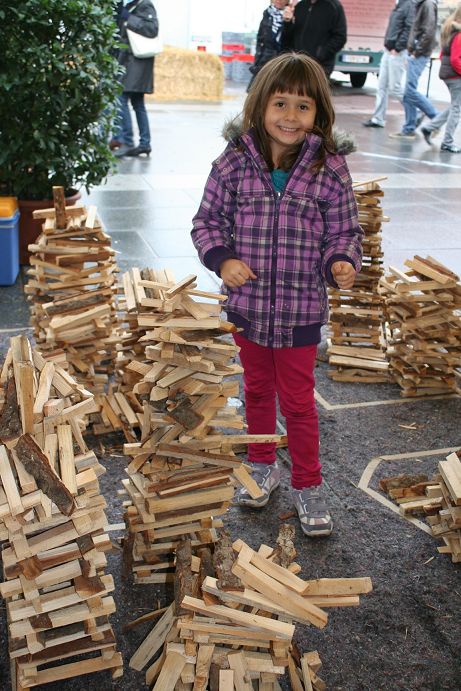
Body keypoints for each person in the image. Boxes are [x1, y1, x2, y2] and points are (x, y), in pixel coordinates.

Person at [191, 53, 363, 537]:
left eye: (303, 106)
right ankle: (262, 464)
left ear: (319, 113)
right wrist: (222, 259)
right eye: (280, 103)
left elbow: (345, 230)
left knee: (299, 402)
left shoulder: (330, 169)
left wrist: (341, 260)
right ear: (260, 106)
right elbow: (206, 222)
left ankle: (308, 483)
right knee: (257, 391)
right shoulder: (233, 163)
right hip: (246, 309)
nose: (290, 116)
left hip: (300, 311)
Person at [114, 0, 158, 157]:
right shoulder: (128, 6)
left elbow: (152, 29)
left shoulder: (144, 5)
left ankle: (127, 141)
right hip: (130, 62)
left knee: (121, 98)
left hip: (137, 63)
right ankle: (144, 143)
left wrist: (129, 17)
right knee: (138, 103)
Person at [389, 0, 439, 140]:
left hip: (420, 53)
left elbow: (428, 32)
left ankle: (436, 119)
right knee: (407, 93)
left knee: (410, 91)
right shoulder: (421, 4)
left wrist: (416, 53)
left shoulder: (427, 4)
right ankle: (408, 129)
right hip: (416, 53)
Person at [363, 0, 415, 128]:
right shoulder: (400, 3)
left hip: (397, 52)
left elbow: (409, 28)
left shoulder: (408, 4)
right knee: (381, 86)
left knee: (395, 88)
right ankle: (378, 118)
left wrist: (398, 48)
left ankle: (416, 112)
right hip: (389, 50)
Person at [420, 4, 461, 153]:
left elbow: (443, 54)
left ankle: (429, 127)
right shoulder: (459, 34)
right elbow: (455, 59)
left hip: (449, 74)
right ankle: (447, 142)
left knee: (456, 105)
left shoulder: (450, 29)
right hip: (455, 76)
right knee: (456, 109)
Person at [281, 0, 347, 78]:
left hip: (319, 66)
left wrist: (321, 54)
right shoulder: (300, 6)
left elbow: (340, 37)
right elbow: (288, 38)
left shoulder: (333, 6)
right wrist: (287, 23)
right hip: (298, 64)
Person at [247, 0, 290, 91]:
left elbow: (290, 39)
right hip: (265, 57)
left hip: (282, 58)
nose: (278, 1)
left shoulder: (292, 14)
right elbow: (260, 37)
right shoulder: (268, 13)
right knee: (256, 89)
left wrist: (288, 21)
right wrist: (258, 57)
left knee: (275, 89)